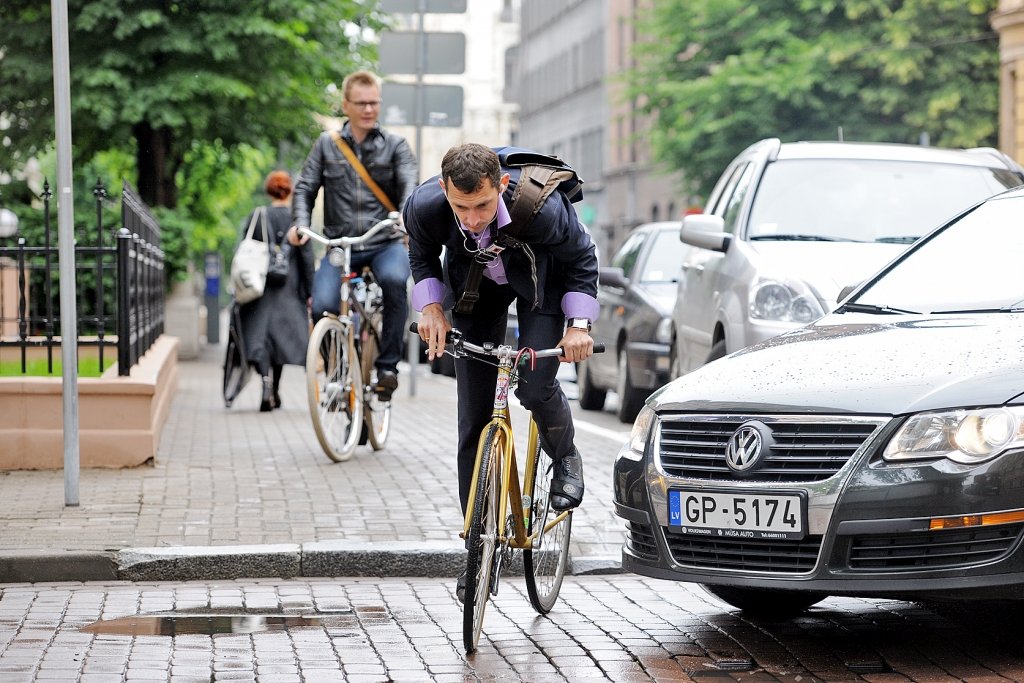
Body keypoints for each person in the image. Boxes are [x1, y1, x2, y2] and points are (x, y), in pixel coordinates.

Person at [404, 143, 599, 597]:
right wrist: (431, 306)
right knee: (473, 418)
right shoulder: (426, 207)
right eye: (462, 207)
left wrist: (579, 326)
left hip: (539, 282)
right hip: (476, 290)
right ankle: (476, 549)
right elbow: (422, 254)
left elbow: (582, 258)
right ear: (445, 192)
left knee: (533, 387)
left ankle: (566, 455)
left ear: (503, 186)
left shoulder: (541, 209)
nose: (472, 219)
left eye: (483, 206)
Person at [289, 70, 418, 401]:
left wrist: (404, 216)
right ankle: (337, 370)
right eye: (361, 103)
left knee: (393, 282)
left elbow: (409, 186)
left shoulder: (395, 146)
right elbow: (304, 188)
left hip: (384, 240)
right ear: (345, 105)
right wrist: (301, 224)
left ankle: (388, 367)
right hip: (340, 244)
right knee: (322, 306)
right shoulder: (326, 145)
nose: (368, 110)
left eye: (374, 102)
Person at [238, 170, 315, 411]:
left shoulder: (258, 215)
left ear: (269, 191)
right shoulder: (297, 220)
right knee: (280, 339)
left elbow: (245, 249)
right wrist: (310, 290)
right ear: (290, 191)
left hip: (259, 289)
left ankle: (265, 382)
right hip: (289, 290)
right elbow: (306, 257)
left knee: (261, 337)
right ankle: (276, 390)